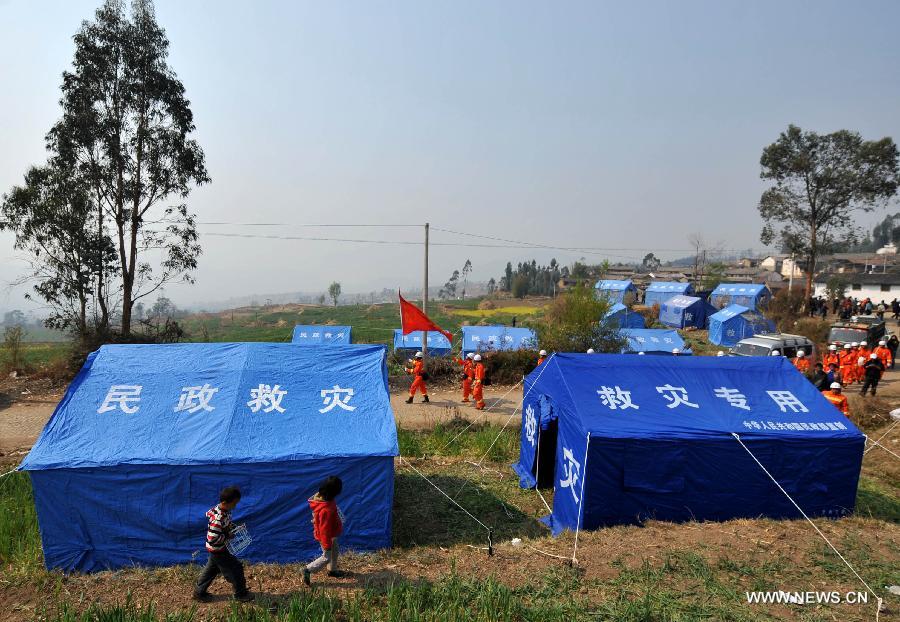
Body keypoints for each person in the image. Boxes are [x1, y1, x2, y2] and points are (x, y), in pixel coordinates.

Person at [194, 486, 253, 603]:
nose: (235, 506)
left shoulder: (225, 511)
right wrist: (227, 536)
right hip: (218, 550)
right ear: (225, 502)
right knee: (235, 569)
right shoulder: (217, 518)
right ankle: (240, 593)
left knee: (211, 569)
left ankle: (199, 592)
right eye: (234, 504)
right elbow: (212, 538)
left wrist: (232, 528)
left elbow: (226, 524)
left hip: (216, 549)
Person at [303, 476, 347, 586]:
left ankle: (332, 570)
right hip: (326, 536)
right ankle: (308, 569)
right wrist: (326, 544)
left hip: (332, 533)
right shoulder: (325, 509)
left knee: (335, 550)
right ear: (334, 492)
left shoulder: (324, 498)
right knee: (326, 557)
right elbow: (324, 529)